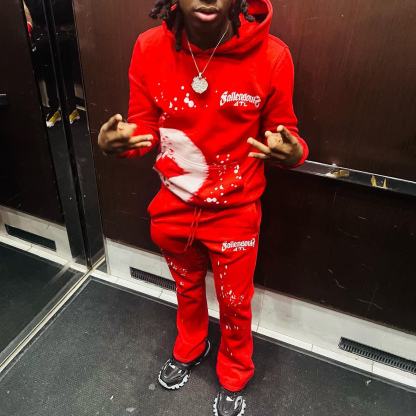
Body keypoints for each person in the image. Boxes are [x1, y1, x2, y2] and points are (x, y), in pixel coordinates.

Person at [98, 0, 308, 414]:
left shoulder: (272, 56)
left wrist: (293, 152)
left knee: (235, 302)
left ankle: (235, 371)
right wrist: (117, 144)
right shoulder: (148, 47)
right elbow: (143, 126)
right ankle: (192, 345)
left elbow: (288, 135)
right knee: (186, 288)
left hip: (235, 211)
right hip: (172, 207)